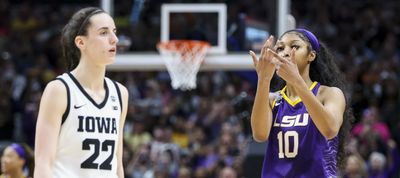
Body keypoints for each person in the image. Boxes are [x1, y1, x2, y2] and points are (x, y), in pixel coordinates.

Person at [34, 7, 128, 178]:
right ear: (81, 42)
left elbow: (117, 164)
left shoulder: (120, 93)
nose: (114, 39)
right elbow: (43, 163)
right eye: (103, 33)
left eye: (114, 32)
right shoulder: (60, 90)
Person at [249, 28, 353, 177]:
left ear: (311, 55)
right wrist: (263, 79)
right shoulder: (272, 99)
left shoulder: (329, 94)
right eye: (280, 48)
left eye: (294, 46)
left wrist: (297, 81)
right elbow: (260, 135)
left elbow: (330, 130)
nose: (285, 52)